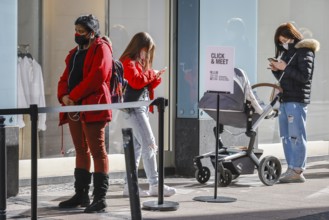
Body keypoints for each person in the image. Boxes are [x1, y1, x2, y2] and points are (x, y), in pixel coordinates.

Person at [57, 14, 112, 213]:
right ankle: (81, 194)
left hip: (93, 105)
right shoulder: (74, 53)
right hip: (74, 106)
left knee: (98, 150)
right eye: (76, 30)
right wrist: (64, 96)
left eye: (81, 31)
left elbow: (98, 76)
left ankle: (100, 198)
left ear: (91, 33)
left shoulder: (101, 48)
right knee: (81, 150)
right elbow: (64, 77)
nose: (77, 34)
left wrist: (74, 95)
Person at [120, 32, 176, 197]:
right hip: (135, 108)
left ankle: (129, 185)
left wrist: (154, 76)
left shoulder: (135, 62)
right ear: (140, 48)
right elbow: (137, 81)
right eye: (147, 49)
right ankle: (154, 184)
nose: (148, 54)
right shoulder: (128, 62)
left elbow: (144, 83)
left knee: (137, 148)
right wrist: (152, 74)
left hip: (138, 108)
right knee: (149, 144)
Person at [269, 22, 320, 183]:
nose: (283, 42)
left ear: (292, 35)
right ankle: (291, 168)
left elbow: (305, 77)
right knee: (285, 136)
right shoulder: (286, 53)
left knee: (296, 136)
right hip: (285, 99)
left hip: (296, 100)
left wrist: (284, 68)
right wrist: (276, 70)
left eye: (285, 38)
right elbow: (286, 78)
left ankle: (297, 169)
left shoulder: (305, 51)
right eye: (280, 40)